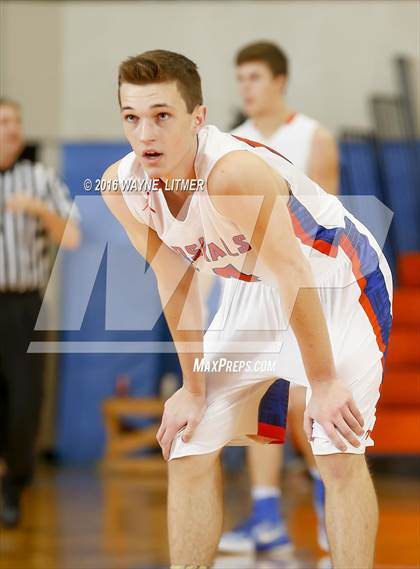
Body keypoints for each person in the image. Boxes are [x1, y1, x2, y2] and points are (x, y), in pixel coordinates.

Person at [101, 50, 392, 569]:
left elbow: (294, 275)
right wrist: (192, 390)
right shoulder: (120, 187)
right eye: (132, 117)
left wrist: (321, 382)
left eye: (162, 116)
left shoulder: (231, 175)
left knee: (336, 447)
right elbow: (176, 279)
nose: (145, 134)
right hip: (254, 284)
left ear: (198, 118)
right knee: (187, 443)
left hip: (335, 275)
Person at [219, 41, 339, 554]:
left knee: (300, 406)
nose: (245, 87)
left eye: (254, 77)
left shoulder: (314, 137)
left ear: (279, 81)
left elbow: (329, 224)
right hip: (247, 292)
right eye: (240, 77)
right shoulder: (229, 143)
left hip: (301, 285)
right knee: (257, 405)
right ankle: (266, 516)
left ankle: (326, 508)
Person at [0, 98, 80, 528]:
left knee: (24, 402)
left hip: (23, 305)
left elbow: (72, 235)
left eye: (16, 121)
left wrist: (38, 210)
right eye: (3, 122)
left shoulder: (39, 177)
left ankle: (15, 487)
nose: (13, 129)